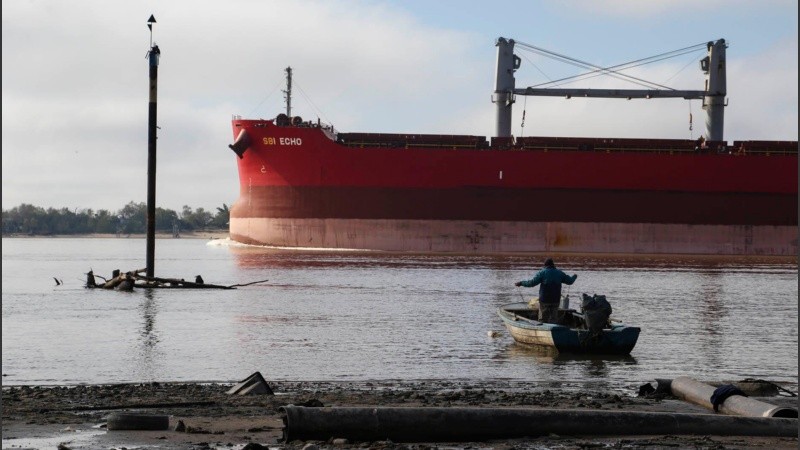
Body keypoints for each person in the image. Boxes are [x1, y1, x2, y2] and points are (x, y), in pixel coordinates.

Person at [514, 258, 578, 324]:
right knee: (554, 319)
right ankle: (553, 330)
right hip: (555, 300)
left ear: (545, 265)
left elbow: (531, 283)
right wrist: (575, 276)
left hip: (544, 300)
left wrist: (521, 283)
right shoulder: (560, 273)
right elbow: (570, 281)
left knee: (542, 320)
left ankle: (543, 331)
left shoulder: (542, 272)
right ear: (553, 265)